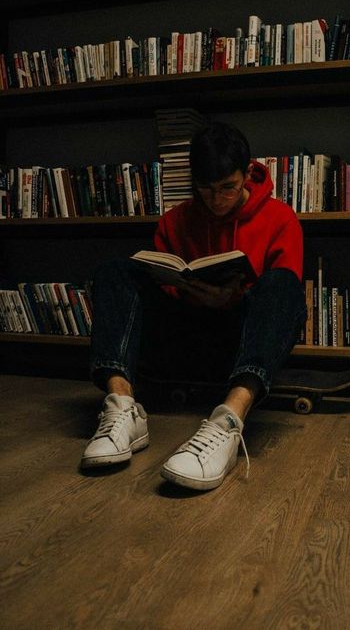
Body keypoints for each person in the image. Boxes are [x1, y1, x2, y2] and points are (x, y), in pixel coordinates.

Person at [82, 121, 307, 490]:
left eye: (228, 188)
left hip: (240, 351)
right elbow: (160, 285)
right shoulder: (175, 221)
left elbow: (281, 308)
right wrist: (186, 292)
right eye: (205, 189)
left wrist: (233, 297)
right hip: (181, 341)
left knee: (284, 284)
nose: (216, 200)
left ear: (248, 173)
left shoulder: (280, 219)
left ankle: (229, 420)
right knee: (115, 271)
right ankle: (121, 405)